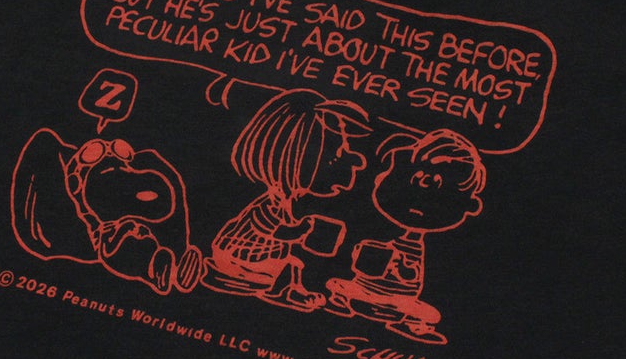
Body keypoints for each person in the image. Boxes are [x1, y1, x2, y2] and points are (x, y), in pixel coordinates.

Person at [202, 88, 370, 312]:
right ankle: (284, 292)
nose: (352, 165)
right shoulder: (271, 203)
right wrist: (303, 230)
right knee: (291, 262)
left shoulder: (283, 203)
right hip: (241, 257)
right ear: (295, 155)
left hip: (257, 256)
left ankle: (289, 290)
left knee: (292, 262)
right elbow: (274, 231)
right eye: (333, 157)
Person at [326, 128, 486, 343]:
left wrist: (401, 267)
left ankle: (411, 323)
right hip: (366, 290)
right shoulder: (396, 240)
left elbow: (412, 276)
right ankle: (343, 300)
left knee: (430, 313)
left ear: (470, 205)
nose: (422, 191)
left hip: (399, 300)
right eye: (416, 178)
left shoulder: (417, 248)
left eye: (437, 187)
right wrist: (361, 254)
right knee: (338, 284)